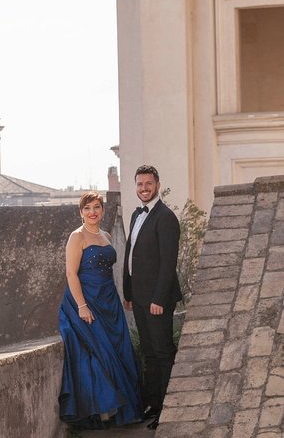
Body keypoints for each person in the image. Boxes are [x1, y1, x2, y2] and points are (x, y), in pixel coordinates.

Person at [58, 191, 142, 429]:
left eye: (96, 207)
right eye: (87, 208)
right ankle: (104, 410)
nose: (92, 212)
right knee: (100, 351)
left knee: (118, 349)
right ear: (80, 212)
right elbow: (71, 274)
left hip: (108, 300)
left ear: (103, 210)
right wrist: (82, 306)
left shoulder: (105, 235)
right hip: (86, 301)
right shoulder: (77, 237)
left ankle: (122, 408)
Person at [123, 165, 182, 430]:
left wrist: (158, 298)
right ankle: (153, 404)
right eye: (139, 184)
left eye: (148, 184)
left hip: (158, 300)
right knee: (148, 352)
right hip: (139, 298)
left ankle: (168, 409)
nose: (144, 189)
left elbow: (168, 264)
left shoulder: (166, 217)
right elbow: (130, 255)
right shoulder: (136, 214)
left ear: (157, 184)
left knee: (163, 353)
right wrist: (128, 293)